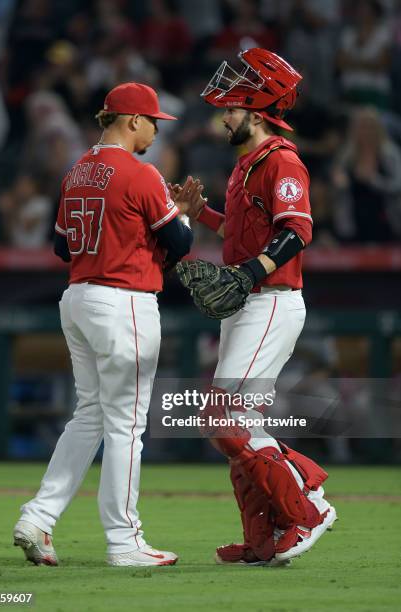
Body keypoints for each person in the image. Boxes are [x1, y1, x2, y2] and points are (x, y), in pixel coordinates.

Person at [13, 82, 200, 567]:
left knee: (90, 414)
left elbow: (61, 248)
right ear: (131, 120)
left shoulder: (77, 171)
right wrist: (184, 214)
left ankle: (37, 517)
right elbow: (180, 244)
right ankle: (124, 541)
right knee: (126, 424)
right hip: (125, 302)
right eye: (153, 122)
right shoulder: (140, 173)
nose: (156, 131)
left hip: (78, 298)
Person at [176, 48, 336, 565]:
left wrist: (248, 273)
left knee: (225, 416)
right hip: (250, 301)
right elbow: (241, 236)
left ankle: (307, 509)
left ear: (258, 111)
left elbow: (299, 229)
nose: (223, 116)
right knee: (236, 421)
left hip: (271, 300)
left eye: (231, 108)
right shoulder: (248, 164)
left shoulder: (282, 160)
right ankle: (263, 539)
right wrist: (203, 216)